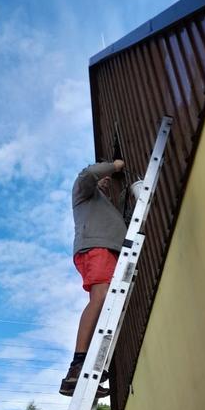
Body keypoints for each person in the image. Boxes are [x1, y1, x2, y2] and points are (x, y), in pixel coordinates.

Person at [60, 159, 126, 397]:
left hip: (107, 250)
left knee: (106, 301)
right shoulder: (84, 192)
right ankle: (78, 364)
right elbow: (88, 174)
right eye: (103, 176)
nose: (106, 180)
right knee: (101, 297)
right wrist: (114, 166)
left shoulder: (103, 204)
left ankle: (84, 372)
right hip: (96, 248)